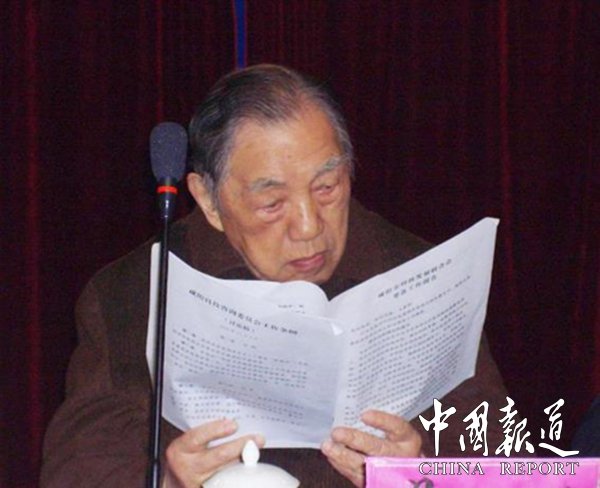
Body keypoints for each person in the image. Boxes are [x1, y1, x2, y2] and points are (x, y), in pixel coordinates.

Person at [41, 64, 512, 488]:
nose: (308, 227)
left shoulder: (423, 276)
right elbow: (77, 470)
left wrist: (425, 474)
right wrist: (167, 483)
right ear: (208, 201)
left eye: (327, 187)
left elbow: (506, 464)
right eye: (271, 203)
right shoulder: (133, 295)